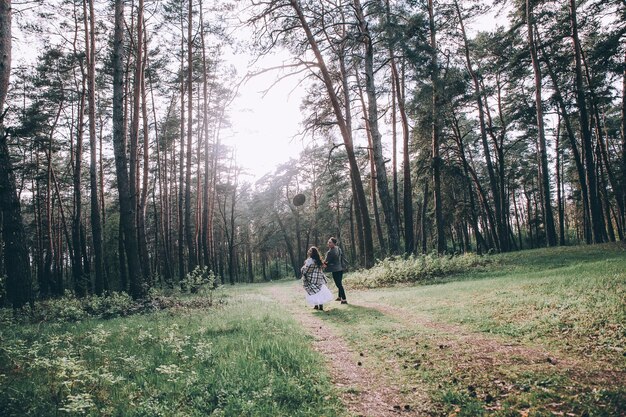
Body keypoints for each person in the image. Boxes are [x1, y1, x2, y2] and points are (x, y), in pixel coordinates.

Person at [301, 246, 334, 310]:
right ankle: (319, 305)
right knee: (319, 291)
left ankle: (316, 305)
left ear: (313, 253)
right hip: (318, 278)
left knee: (313, 291)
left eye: (310, 251)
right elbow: (323, 266)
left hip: (312, 279)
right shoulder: (318, 260)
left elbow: (306, 269)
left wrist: (303, 269)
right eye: (309, 250)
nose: (309, 252)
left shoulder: (309, 261)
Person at [324, 237, 347, 304]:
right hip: (340, 268)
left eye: (330, 242)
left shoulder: (330, 252)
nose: (328, 243)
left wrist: (323, 264)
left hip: (335, 270)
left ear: (334, 243)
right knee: (340, 283)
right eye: (328, 242)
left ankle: (344, 299)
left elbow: (326, 262)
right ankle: (339, 297)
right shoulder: (338, 248)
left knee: (339, 285)